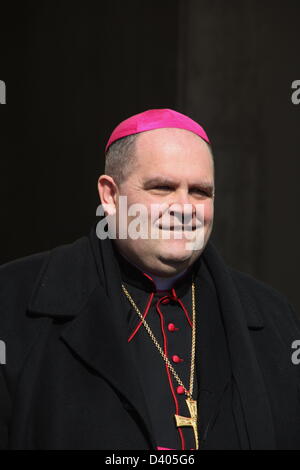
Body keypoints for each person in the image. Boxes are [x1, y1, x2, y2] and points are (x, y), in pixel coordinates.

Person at [0, 108, 300, 450]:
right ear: (110, 197)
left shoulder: (275, 319)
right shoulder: (14, 303)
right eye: (162, 188)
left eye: (200, 192)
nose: (184, 208)